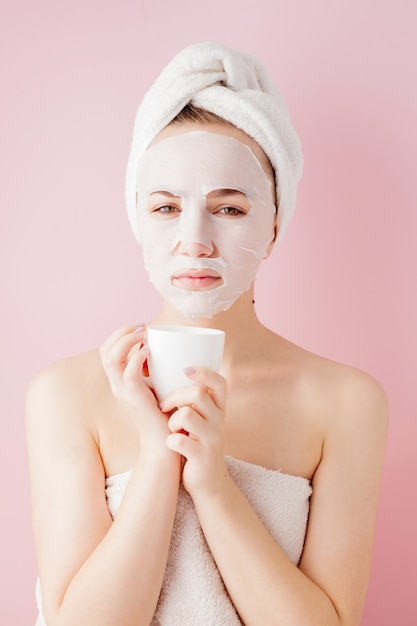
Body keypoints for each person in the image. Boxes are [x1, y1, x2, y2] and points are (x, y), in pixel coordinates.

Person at [26, 42, 388, 626]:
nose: (194, 239)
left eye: (229, 208)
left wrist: (214, 484)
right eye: (167, 208)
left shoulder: (346, 402)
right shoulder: (65, 393)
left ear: (273, 226)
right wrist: (157, 458)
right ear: (138, 219)